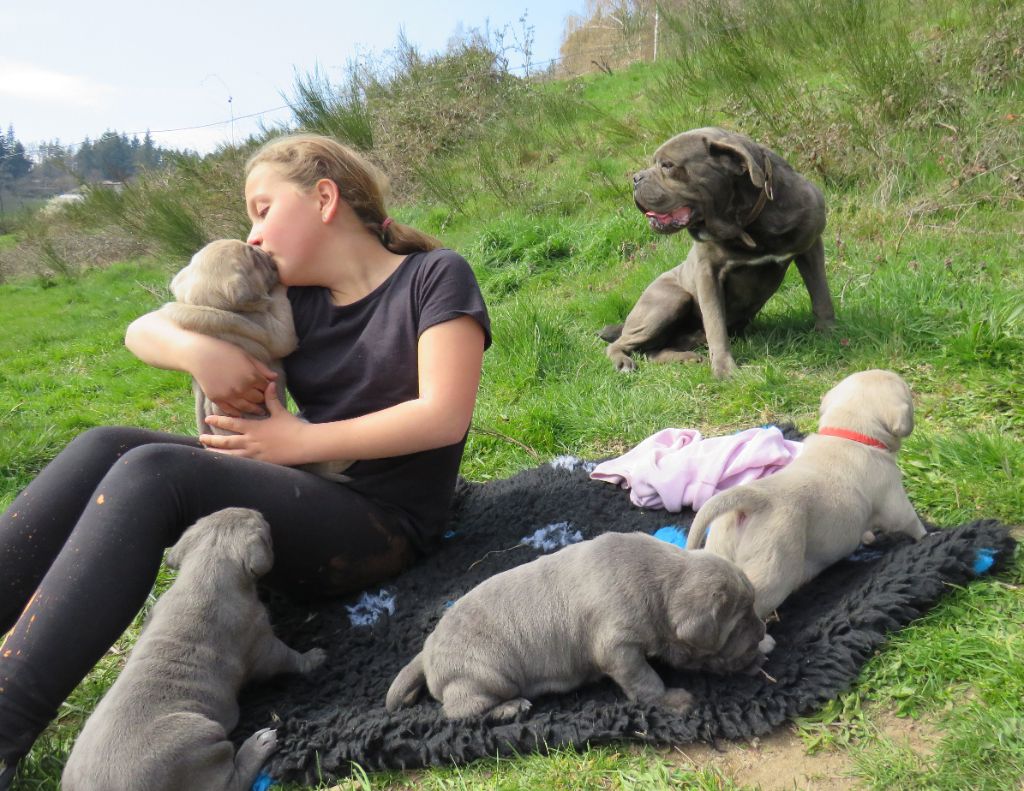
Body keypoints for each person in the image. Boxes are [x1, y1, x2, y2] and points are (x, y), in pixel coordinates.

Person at [0, 133, 490, 788]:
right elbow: (142, 329)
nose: (252, 234)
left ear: (323, 198)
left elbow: (443, 414)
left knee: (155, 475)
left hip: (381, 524)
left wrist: (298, 442)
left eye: (262, 208)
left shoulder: (434, 276)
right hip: (298, 490)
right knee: (107, 445)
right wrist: (198, 352)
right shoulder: (291, 302)